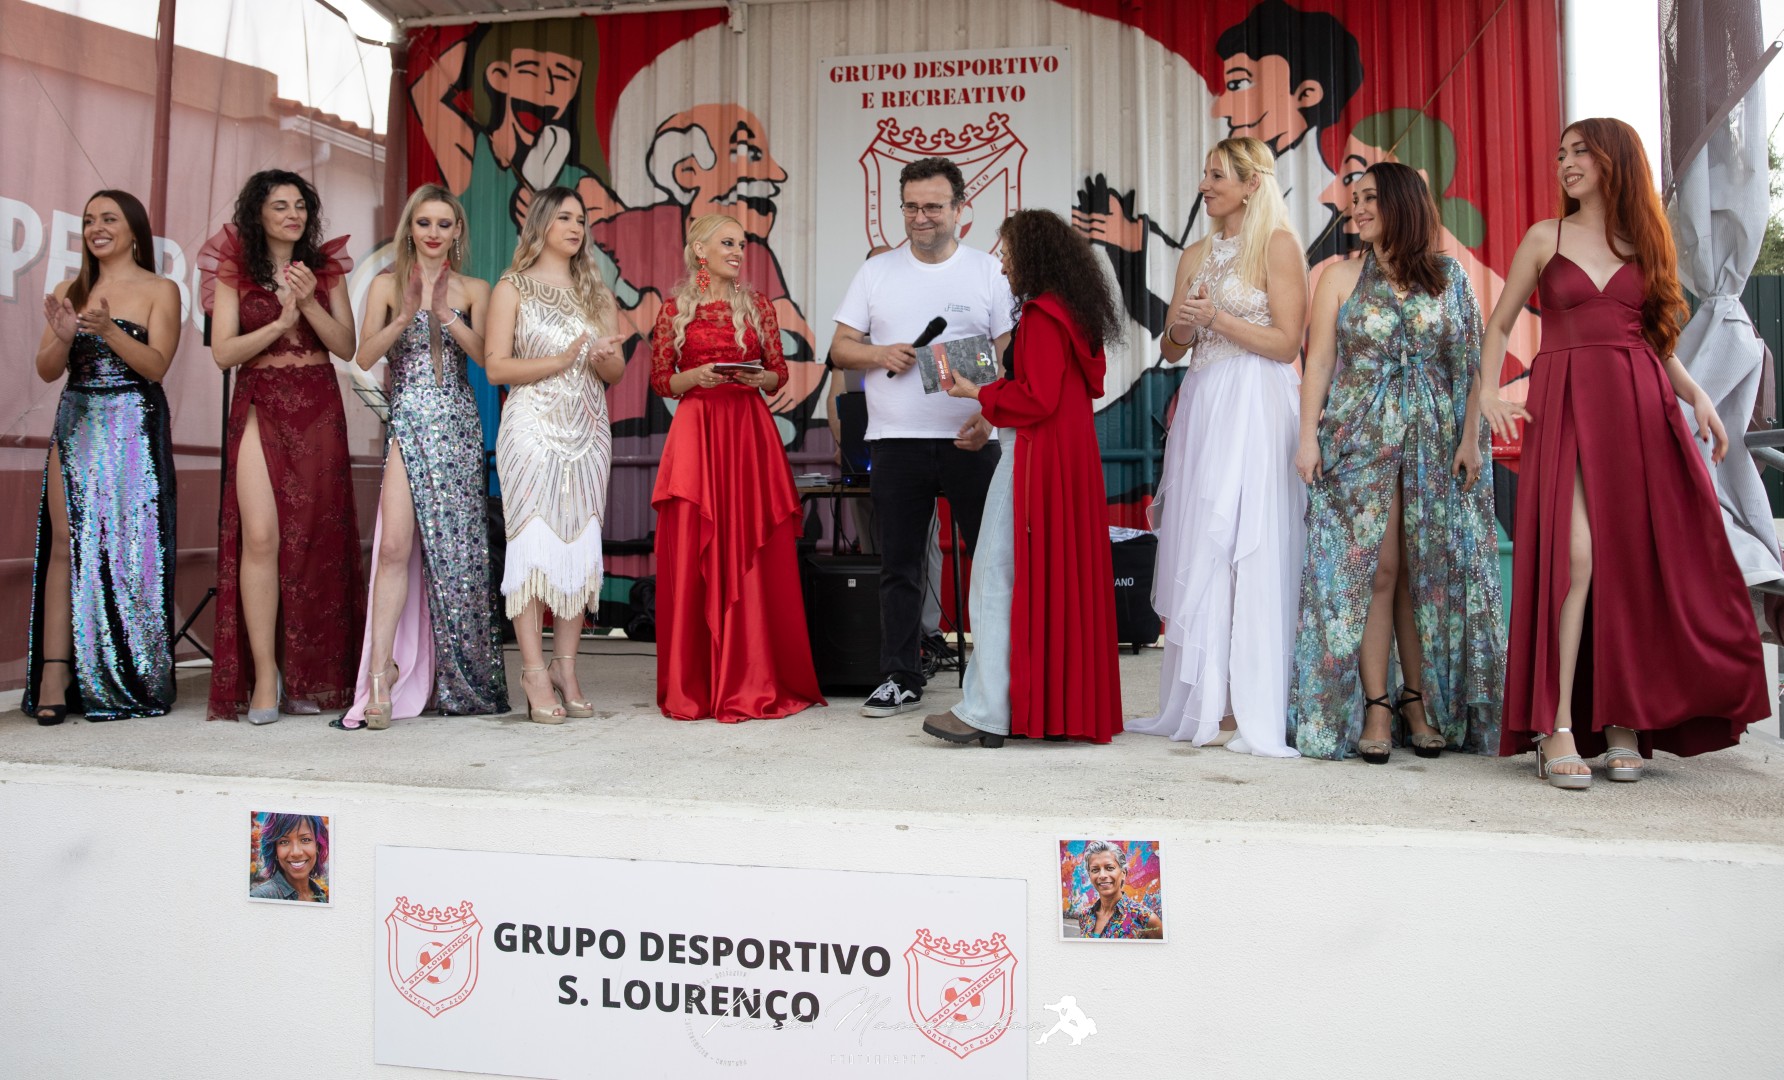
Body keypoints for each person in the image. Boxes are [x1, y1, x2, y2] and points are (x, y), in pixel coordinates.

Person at [1481, 118, 1769, 788]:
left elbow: (1656, 340)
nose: (1565, 162)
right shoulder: (1545, 238)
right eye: (1561, 153)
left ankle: (1622, 718)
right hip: (1566, 404)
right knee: (1576, 557)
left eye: (1580, 151)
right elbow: (1499, 326)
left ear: (1614, 160)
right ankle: (1555, 725)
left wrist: (1696, 395)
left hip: (1640, 408)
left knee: (1629, 562)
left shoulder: (1645, 243)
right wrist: (1489, 393)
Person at [1291, 162, 1504, 762]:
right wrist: (1307, 438)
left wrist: (1470, 439)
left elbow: (1471, 365)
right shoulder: (1337, 277)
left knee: (1423, 571)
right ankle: (1377, 706)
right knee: (1377, 569)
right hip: (1359, 437)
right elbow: (1319, 362)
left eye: (1370, 198)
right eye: (1353, 199)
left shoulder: (1449, 277)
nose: (1356, 208)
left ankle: (1418, 701)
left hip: (1435, 439)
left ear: (1402, 204)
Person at [1126, 137, 1307, 757]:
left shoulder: (1278, 245)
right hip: (1204, 403)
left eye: (1217, 175)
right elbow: (1171, 347)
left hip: (1257, 402)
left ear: (1252, 183)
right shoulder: (1196, 253)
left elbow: (1287, 343)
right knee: (1205, 538)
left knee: (1246, 540)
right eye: (1204, 174)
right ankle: (1210, 698)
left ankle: (1254, 698)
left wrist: (1217, 320)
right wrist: (1182, 326)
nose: (1204, 185)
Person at [921, 209, 1124, 747]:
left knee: (992, 579)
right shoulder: (1075, 314)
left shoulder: (1040, 314)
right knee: (1050, 585)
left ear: (1033, 256)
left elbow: (1036, 398)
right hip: (1069, 458)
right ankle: (1038, 708)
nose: (1003, 264)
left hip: (1033, 456)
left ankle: (984, 712)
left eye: (1008, 253)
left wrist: (977, 391)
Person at [829, 157, 1015, 716]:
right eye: (911, 207)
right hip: (895, 441)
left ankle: (1000, 678)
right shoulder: (876, 272)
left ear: (960, 209)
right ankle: (900, 676)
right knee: (899, 566)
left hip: (972, 438)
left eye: (933, 206)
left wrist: (990, 417)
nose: (920, 217)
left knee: (992, 561)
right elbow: (840, 348)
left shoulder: (988, 271)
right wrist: (879, 354)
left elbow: (1009, 356)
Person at [335, 185, 509, 731]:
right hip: (407, 423)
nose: (434, 233)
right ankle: (380, 674)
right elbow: (363, 356)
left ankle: (461, 676)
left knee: (460, 558)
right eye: (424, 223)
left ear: (458, 232)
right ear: (410, 229)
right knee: (392, 546)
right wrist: (405, 314)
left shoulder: (475, 289)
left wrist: (445, 315)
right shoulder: (386, 285)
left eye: (444, 224)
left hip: (457, 426)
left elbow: (488, 361)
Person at [649, 214, 826, 722]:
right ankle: (697, 682)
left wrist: (756, 378)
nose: (737, 251)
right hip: (697, 432)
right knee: (695, 541)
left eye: (741, 244)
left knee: (752, 541)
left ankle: (751, 674)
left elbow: (778, 374)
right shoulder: (673, 309)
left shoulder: (758, 305)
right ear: (699, 250)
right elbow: (662, 380)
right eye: (727, 243)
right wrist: (697, 376)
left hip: (748, 431)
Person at [201, 170, 362, 723]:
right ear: (258, 214)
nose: (292, 215)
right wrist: (279, 324)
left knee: (314, 540)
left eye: (299, 206)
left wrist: (309, 304)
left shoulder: (325, 268)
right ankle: (266, 673)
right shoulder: (235, 270)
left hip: (318, 404)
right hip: (259, 399)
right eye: (279, 206)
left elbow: (347, 346)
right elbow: (224, 353)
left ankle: (307, 673)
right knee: (261, 536)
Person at [27, 190, 181, 724]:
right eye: (90, 220)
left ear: (133, 229)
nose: (97, 227)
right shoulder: (69, 290)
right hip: (78, 418)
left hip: (134, 423)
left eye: (109, 218)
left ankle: (130, 672)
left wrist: (110, 330)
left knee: (130, 548)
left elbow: (156, 366)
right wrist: (64, 337)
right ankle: (55, 673)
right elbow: (47, 370)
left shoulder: (161, 289)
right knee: (65, 542)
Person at [485, 186, 625, 724]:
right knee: (533, 548)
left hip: (588, 429)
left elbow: (614, 374)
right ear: (541, 223)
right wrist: (562, 360)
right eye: (564, 217)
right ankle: (532, 671)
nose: (575, 227)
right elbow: (497, 368)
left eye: (581, 220)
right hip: (532, 430)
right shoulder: (511, 287)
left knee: (579, 549)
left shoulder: (596, 292)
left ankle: (566, 668)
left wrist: (601, 356)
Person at [1068, 841, 1161, 940]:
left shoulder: (1145, 919)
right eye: (1095, 870)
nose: (1102, 875)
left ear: (1123, 873)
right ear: (1090, 875)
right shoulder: (1085, 916)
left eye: (1109, 868)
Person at [249, 813, 328, 903]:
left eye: (305, 840)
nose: (296, 852)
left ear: (317, 846)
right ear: (275, 850)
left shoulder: (320, 895)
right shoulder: (260, 897)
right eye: (284, 842)